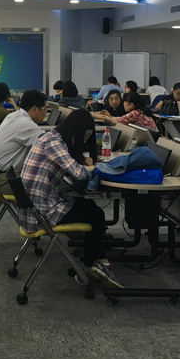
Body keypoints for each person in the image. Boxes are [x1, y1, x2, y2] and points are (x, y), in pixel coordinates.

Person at [20, 109, 123, 288]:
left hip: (36, 206)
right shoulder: (53, 143)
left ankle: (101, 261)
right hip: (43, 211)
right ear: (76, 130)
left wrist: (82, 162)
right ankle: (89, 269)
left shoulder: (50, 138)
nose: (84, 141)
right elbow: (79, 174)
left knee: (88, 207)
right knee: (96, 215)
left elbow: (70, 166)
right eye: (85, 136)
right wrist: (93, 168)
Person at [0, 89, 47, 194]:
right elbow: (49, 145)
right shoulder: (24, 123)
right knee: (48, 186)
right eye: (45, 109)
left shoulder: (14, 116)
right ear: (35, 108)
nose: (46, 113)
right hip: (4, 181)